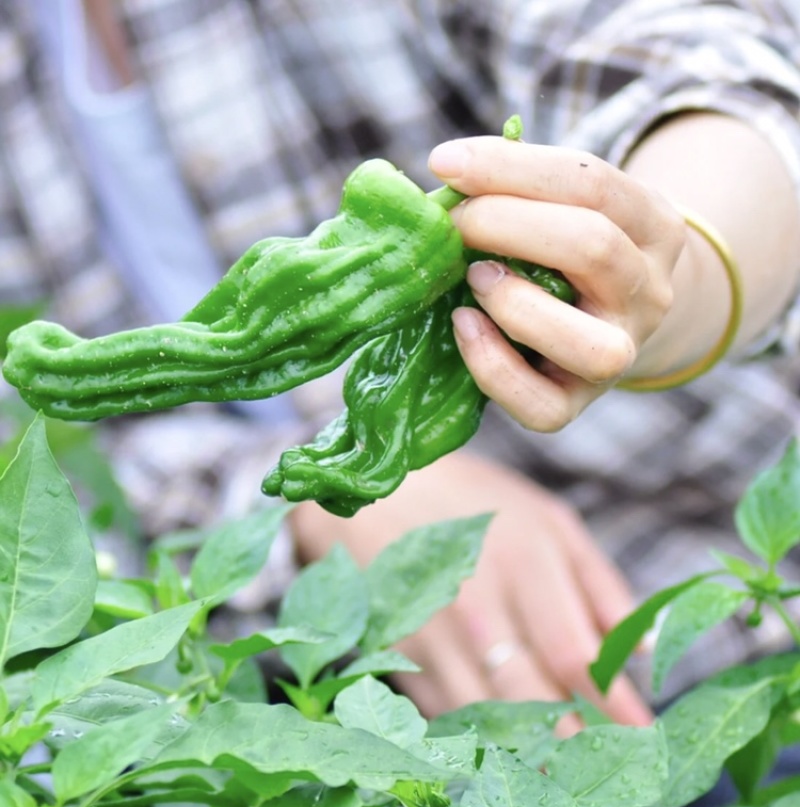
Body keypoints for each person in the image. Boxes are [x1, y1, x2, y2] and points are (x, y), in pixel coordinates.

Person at [3, 0, 800, 731]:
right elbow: (69, 469)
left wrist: (670, 266)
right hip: (331, 710)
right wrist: (314, 509)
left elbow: (708, 70)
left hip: (722, 627)